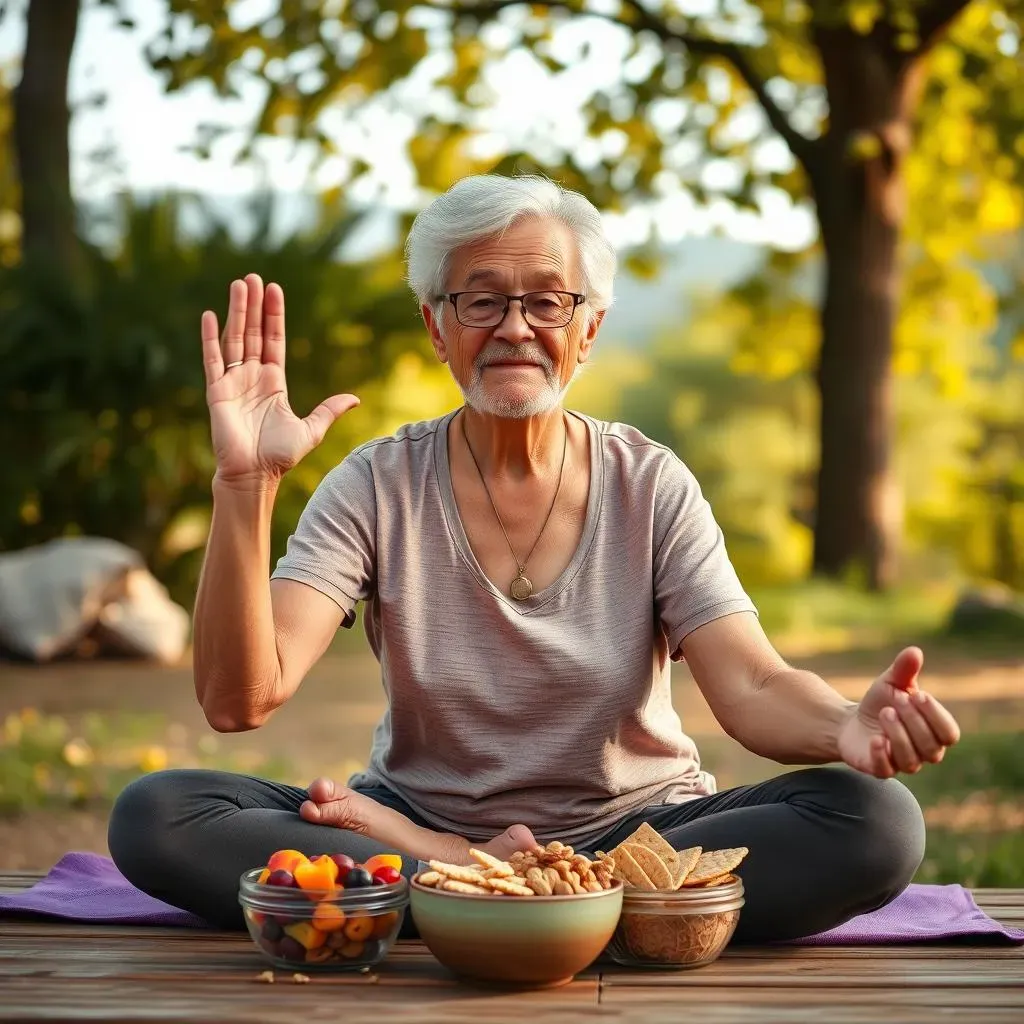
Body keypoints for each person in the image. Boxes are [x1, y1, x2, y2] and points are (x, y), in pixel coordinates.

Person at [107, 175, 960, 942]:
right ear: (437, 328)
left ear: (586, 331)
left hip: (642, 835)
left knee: (877, 822)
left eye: (548, 302)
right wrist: (245, 483)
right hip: (420, 820)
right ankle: (543, 900)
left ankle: (470, 900)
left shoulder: (651, 483)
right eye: (480, 302)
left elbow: (753, 689)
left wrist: (845, 724)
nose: (515, 327)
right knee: (159, 814)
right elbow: (237, 698)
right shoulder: (376, 482)